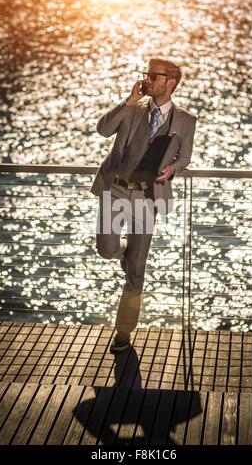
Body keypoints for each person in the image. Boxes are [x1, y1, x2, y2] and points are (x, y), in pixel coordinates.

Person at [91, 58, 197, 352]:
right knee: (107, 249)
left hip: (147, 198)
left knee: (137, 270)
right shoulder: (132, 110)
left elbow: (184, 156)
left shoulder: (186, 120)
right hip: (116, 190)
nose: (147, 79)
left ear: (170, 82)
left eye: (154, 76)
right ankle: (122, 251)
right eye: (147, 75)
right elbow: (103, 129)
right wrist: (128, 100)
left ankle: (123, 332)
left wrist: (173, 170)